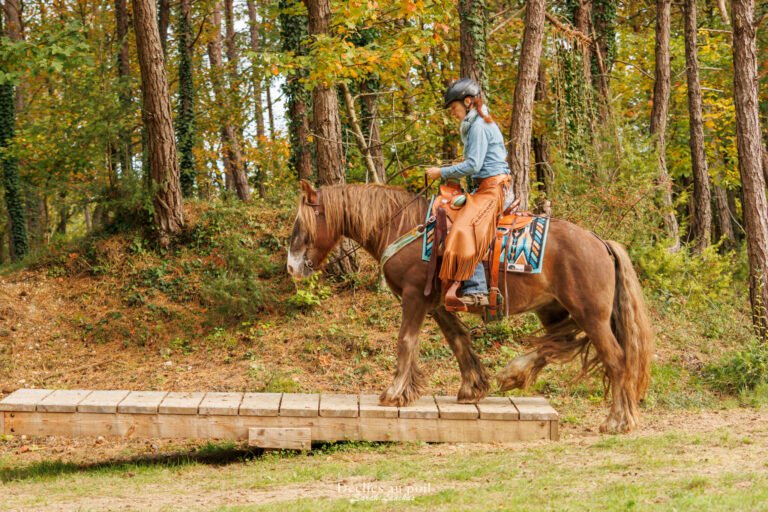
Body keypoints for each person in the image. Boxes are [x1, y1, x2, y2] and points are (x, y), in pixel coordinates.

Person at [425, 78, 514, 307]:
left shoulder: (479, 126)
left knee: (466, 226)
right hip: (483, 187)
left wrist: (441, 172)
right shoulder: (475, 124)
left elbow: (474, 165)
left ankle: (477, 289)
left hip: (493, 189)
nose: (453, 113)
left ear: (467, 102)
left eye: (454, 108)